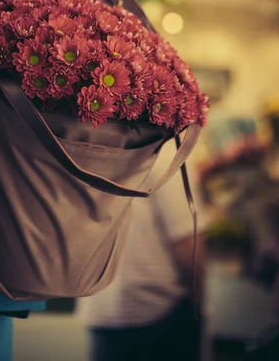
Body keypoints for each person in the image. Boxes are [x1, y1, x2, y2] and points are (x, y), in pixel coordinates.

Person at [77, 139, 207, 361]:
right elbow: (187, 247)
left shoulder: (88, 146)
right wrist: (202, 307)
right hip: (159, 315)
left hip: (102, 310)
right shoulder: (166, 153)